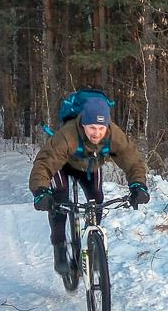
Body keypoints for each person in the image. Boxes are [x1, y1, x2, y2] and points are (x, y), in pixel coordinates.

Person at [29, 96, 150, 274]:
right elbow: (45, 163)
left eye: (101, 128)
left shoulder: (113, 134)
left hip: (88, 166)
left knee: (97, 199)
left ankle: (91, 242)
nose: (97, 133)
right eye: (92, 127)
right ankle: (59, 246)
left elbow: (132, 160)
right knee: (59, 199)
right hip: (61, 165)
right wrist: (41, 190)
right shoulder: (67, 135)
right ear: (83, 124)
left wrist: (138, 185)